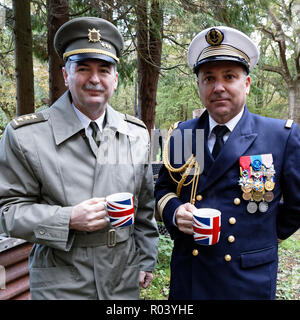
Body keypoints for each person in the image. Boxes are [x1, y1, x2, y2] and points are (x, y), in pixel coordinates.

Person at [0, 17, 159, 300]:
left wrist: (146, 258)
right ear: (65, 75)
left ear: (116, 78)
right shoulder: (26, 136)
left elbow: (144, 206)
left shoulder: (135, 134)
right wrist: (67, 218)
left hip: (121, 277)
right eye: (83, 68)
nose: (95, 79)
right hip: (61, 279)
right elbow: (8, 211)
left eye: (104, 69)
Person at [155, 26, 300, 299]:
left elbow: (297, 205)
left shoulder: (279, 136)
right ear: (199, 86)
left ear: (246, 83)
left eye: (229, 76)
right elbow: (163, 189)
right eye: (209, 78)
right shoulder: (185, 134)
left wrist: (263, 237)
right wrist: (175, 212)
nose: (218, 87)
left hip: (247, 278)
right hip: (191, 276)